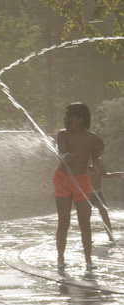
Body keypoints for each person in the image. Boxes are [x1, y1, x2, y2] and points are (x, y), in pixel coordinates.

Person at [54, 102, 106, 271]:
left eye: (70, 115)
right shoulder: (62, 135)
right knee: (64, 221)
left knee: (85, 222)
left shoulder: (93, 139)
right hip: (63, 179)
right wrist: (65, 157)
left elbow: (96, 157)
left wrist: (96, 162)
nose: (66, 119)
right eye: (65, 115)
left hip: (81, 181)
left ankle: (89, 261)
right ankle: (60, 258)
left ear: (81, 119)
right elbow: (62, 152)